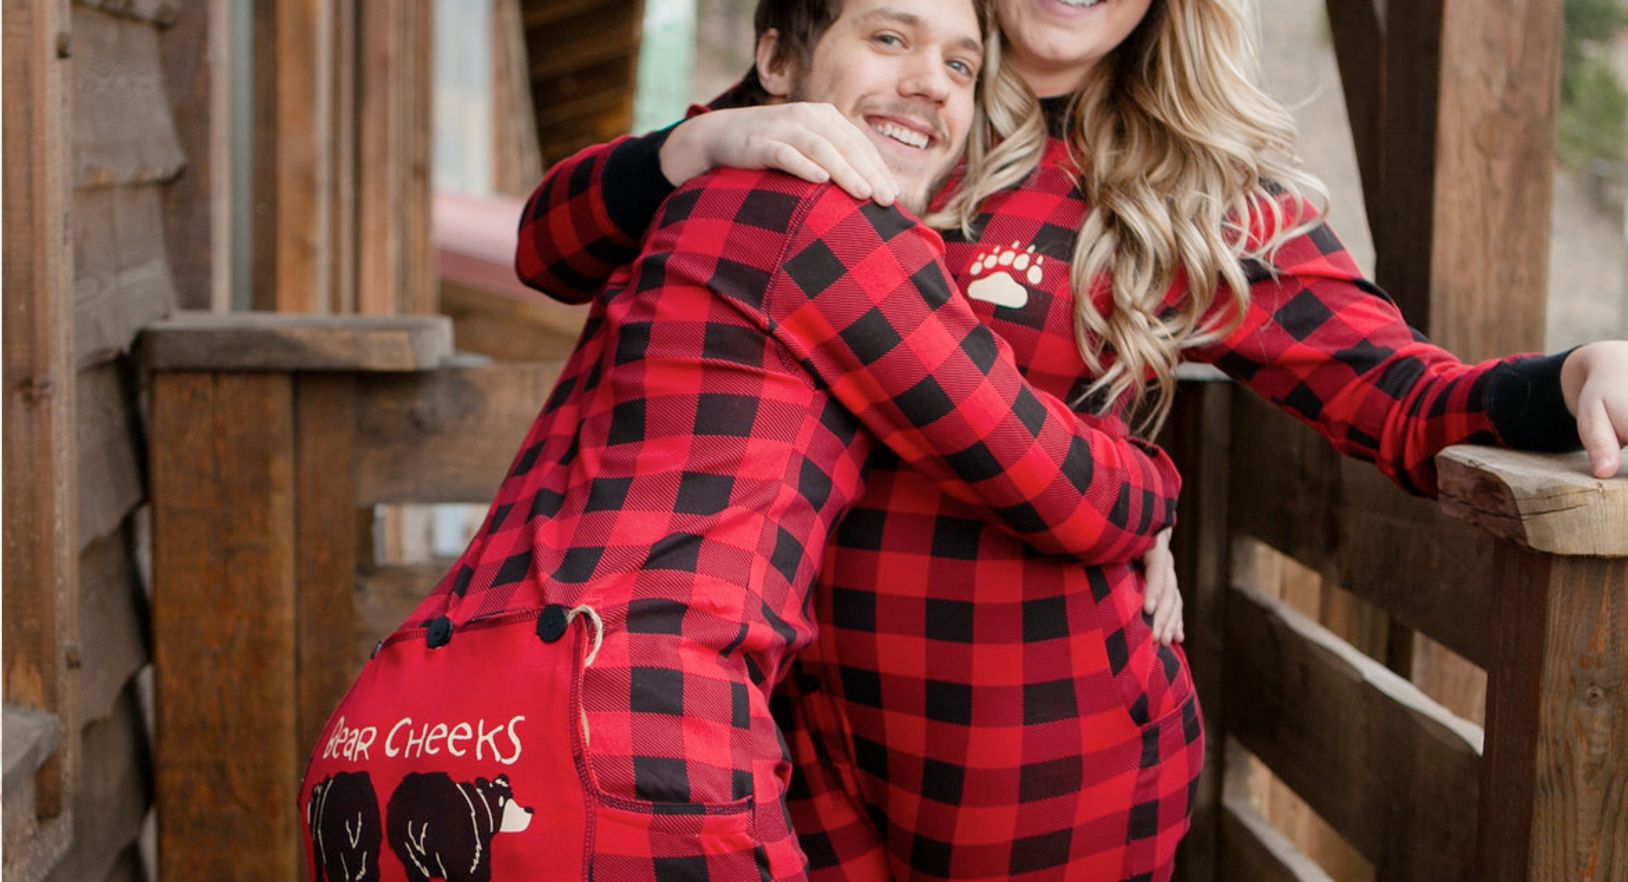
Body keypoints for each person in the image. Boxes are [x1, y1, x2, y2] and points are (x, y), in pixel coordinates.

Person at [516, 1, 1628, 878]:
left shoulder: (1201, 194)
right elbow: (552, 249)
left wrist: (1589, 370)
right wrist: (685, 144)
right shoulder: (884, 88)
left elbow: (1399, 396)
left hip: (1039, 767)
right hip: (801, 744)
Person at [297, 1, 1191, 879]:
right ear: (775, 64)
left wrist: (686, 148)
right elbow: (1055, 484)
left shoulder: (691, 198)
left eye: (961, 65)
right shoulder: (827, 224)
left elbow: (545, 247)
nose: (930, 82)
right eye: (889, 37)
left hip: (413, 734)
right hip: (636, 742)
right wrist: (1156, 493)